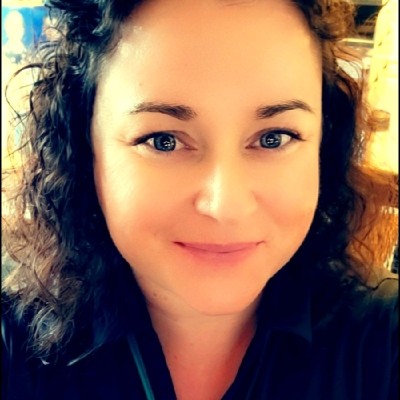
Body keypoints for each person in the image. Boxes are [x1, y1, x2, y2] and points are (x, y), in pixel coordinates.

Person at [1, 0, 398, 399]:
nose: (226, 206)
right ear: (84, 146)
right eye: (163, 140)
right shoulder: (14, 339)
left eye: (273, 138)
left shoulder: (383, 339)